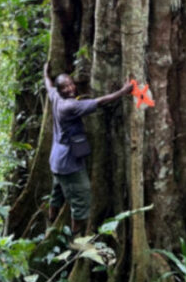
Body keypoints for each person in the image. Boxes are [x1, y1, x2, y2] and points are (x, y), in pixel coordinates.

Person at [43, 62, 132, 236]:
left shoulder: (55, 96)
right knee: (82, 197)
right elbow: (100, 101)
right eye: (65, 87)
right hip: (68, 164)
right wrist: (124, 91)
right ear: (60, 90)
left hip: (57, 160)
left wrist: (45, 73)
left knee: (57, 193)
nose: (70, 89)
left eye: (71, 84)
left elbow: (48, 85)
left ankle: (50, 225)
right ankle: (77, 239)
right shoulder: (69, 106)